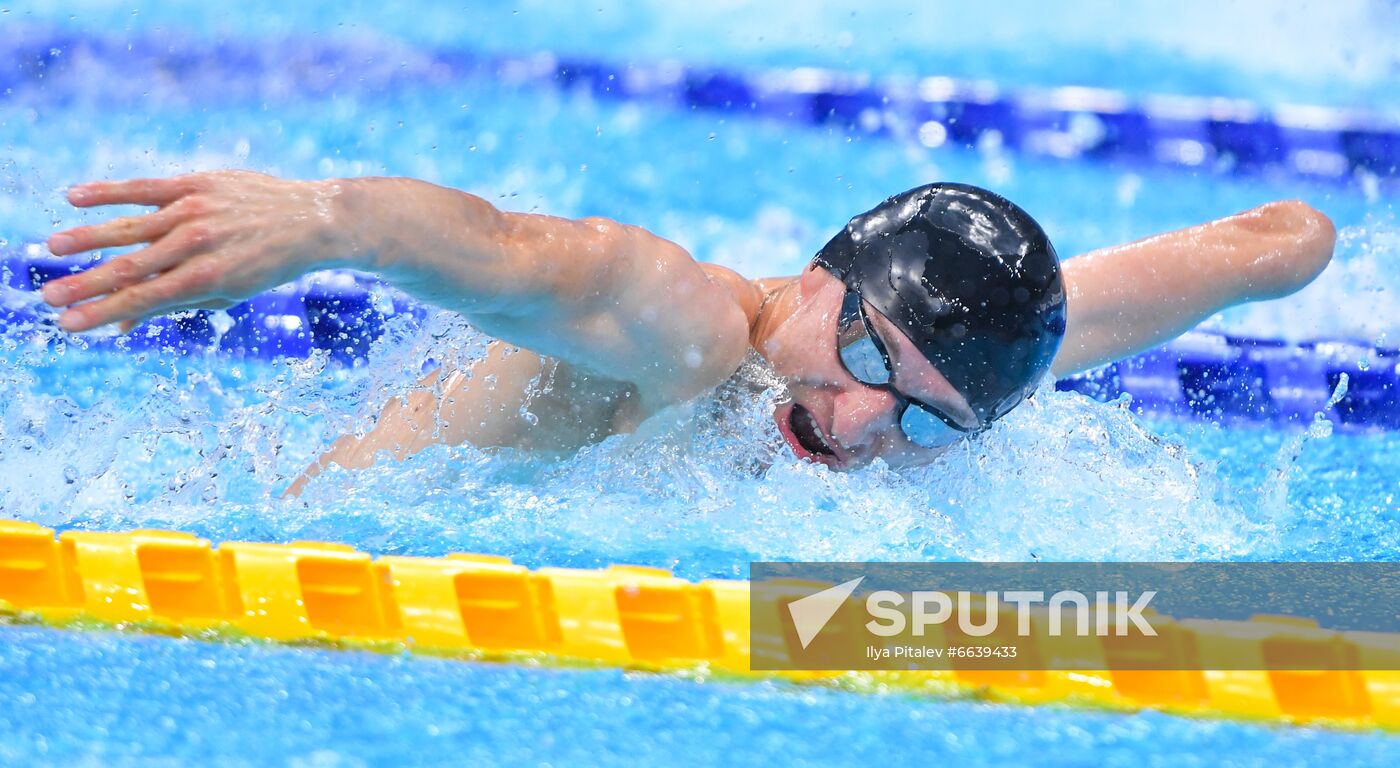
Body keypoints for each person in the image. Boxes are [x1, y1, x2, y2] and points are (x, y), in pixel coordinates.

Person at [37, 171, 1336, 494]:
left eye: (928, 420)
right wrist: (329, 218)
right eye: (872, 360)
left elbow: (1241, 249)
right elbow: (527, 255)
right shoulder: (697, 337)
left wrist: (1297, 248)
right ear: (827, 276)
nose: (861, 425)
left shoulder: (965, 362)